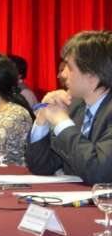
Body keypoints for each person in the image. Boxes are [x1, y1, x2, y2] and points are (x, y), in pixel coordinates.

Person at [26, 31, 112, 183]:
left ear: (92, 75)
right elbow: (41, 166)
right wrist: (42, 118)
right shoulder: (75, 106)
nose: (63, 74)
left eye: (69, 67)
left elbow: (99, 172)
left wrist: (62, 123)